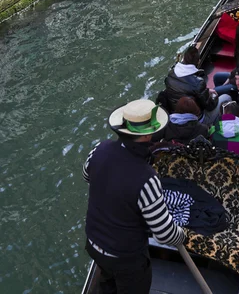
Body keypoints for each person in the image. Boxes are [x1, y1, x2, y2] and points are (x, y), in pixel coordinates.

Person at [83, 98, 185, 294]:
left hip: (93, 243)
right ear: (149, 136)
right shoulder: (147, 178)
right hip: (125, 258)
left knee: (108, 282)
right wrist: (181, 234)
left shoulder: (99, 149)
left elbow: (88, 176)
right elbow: (164, 234)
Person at [156, 45, 207, 113]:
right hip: (195, 117)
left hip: (173, 111)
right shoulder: (199, 83)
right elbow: (207, 106)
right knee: (224, 98)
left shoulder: (171, 74)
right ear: (198, 61)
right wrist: (213, 96)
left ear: (183, 58)